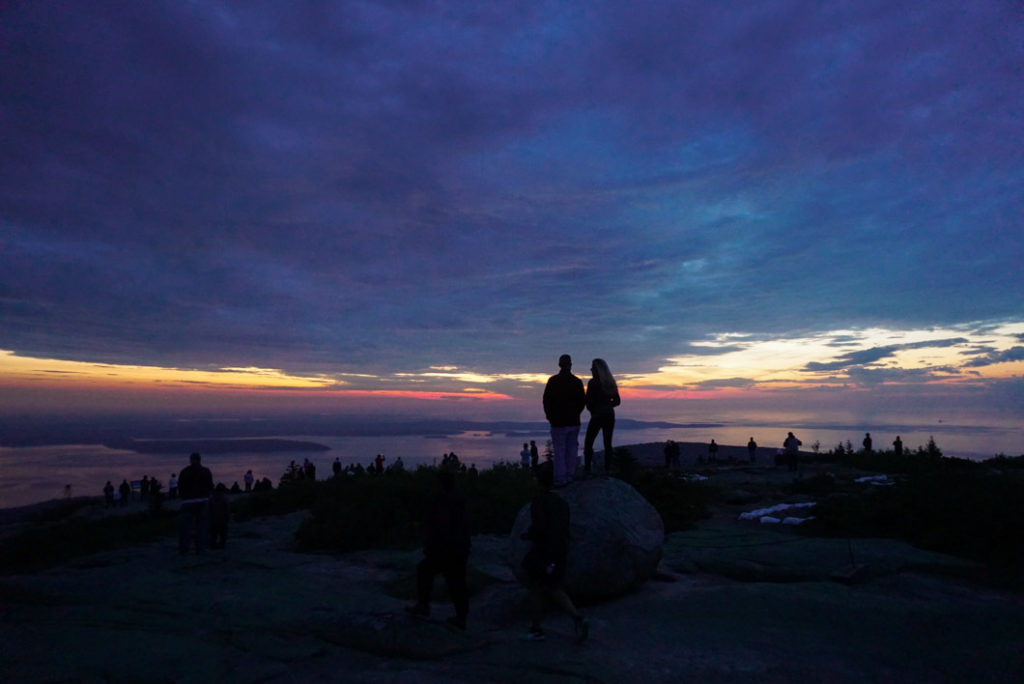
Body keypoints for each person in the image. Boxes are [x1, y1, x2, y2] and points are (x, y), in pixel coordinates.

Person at [520, 462, 588, 643]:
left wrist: (528, 535)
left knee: (536, 588)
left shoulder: (539, 503)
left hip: (543, 553)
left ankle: (536, 629)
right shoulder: (561, 502)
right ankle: (578, 618)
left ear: (538, 482)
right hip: (560, 552)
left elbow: (540, 528)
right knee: (554, 587)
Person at [406, 470, 471, 630]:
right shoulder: (460, 499)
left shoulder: (441, 500)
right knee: (457, 581)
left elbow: (441, 525)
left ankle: (423, 606)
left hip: (445, 548)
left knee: (426, 571)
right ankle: (461, 617)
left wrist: (429, 542)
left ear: (440, 483)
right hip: (459, 547)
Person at [542, 354, 586, 487]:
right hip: (573, 422)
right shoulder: (577, 382)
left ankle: (560, 478)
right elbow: (582, 402)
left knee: (560, 450)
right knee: (572, 449)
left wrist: (550, 417)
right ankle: (570, 475)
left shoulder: (553, 381)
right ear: (570, 365)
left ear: (559, 365)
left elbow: (546, 401)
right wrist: (576, 414)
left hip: (558, 423)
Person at [583, 358, 621, 474]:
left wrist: (594, 410)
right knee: (608, 443)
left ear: (597, 369)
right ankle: (607, 470)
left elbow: (588, 402)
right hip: (609, 415)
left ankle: (587, 469)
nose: (591, 370)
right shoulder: (610, 382)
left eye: (592, 368)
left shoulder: (593, 382)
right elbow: (617, 401)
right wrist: (608, 406)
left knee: (588, 442)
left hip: (597, 415)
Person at [178, 453, 214, 555]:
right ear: (200, 460)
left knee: (185, 528)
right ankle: (200, 549)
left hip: (187, 502)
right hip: (202, 501)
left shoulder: (184, 472)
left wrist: (184, 497)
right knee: (201, 527)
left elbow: (180, 486)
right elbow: (210, 485)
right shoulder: (206, 471)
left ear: (191, 460)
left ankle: (184, 549)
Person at [209, 483, 230, 550]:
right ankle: (221, 545)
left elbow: (208, 509)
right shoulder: (224, 498)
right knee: (223, 533)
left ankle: (213, 545)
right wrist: (227, 518)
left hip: (213, 519)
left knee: (214, 533)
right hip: (222, 519)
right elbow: (227, 510)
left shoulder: (211, 498)